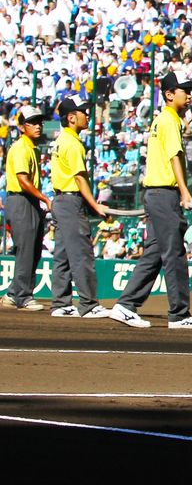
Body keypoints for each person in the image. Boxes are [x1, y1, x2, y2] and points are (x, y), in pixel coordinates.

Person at [110, 72, 192, 330]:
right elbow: (175, 156)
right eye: (184, 91)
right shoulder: (169, 120)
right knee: (175, 253)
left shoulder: (163, 119)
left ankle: (126, 304)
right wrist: (184, 191)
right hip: (164, 194)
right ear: (169, 94)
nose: (189, 95)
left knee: (155, 252)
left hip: (154, 194)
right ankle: (179, 314)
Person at [48, 96, 111, 319]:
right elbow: (79, 178)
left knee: (63, 255)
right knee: (82, 253)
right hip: (70, 201)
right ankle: (89, 304)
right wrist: (95, 205)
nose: (88, 115)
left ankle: (61, 303)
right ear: (71, 118)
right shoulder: (72, 143)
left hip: (59, 199)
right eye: (83, 112)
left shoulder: (61, 139)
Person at [2, 105, 52, 310]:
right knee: (27, 249)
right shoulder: (21, 148)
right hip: (20, 199)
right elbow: (23, 181)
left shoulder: (32, 148)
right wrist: (45, 199)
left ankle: (14, 293)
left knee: (33, 249)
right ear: (22, 126)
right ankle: (23, 296)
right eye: (32, 122)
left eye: (39, 122)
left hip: (28, 201)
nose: (38, 126)